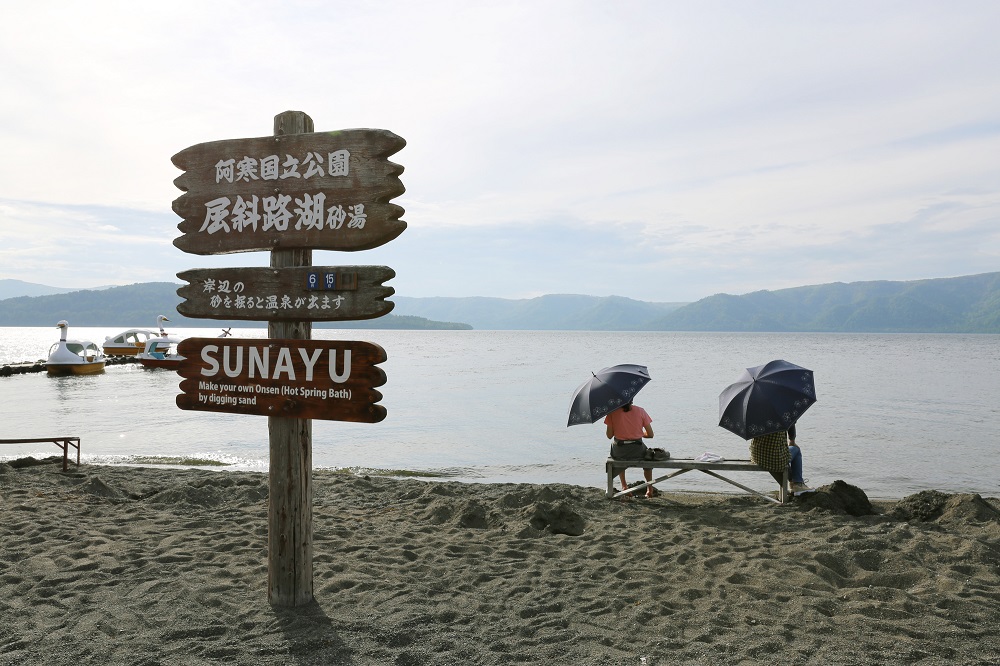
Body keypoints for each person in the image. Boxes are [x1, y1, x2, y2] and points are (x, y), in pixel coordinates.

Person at [605, 402, 656, 498]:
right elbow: (650, 434)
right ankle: (649, 488)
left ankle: (624, 486)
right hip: (637, 450)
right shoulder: (640, 411)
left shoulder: (611, 413)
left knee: (617, 454)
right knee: (648, 456)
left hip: (619, 452)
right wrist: (640, 434)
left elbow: (609, 436)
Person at [749, 425, 812, 495]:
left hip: (757, 456)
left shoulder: (757, 417)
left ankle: (792, 481)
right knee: (796, 450)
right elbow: (791, 424)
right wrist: (792, 440)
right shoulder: (781, 416)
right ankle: (798, 484)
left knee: (779, 452)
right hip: (776, 459)